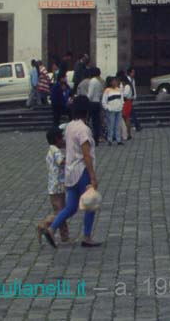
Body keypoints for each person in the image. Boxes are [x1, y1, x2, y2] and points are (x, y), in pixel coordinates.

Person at [44, 96, 101, 249]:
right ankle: (87, 236)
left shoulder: (69, 126)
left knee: (71, 207)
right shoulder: (84, 129)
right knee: (90, 203)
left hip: (69, 173)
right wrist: (93, 177)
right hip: (82, 170)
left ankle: (51, 228)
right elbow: (86, 154)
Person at [37, 127, 69, 245]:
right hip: (58, 186)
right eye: (62, 139)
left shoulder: (51, 150)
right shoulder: (56, 151)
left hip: (53, 186)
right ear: (57, 139)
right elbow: (62, 162)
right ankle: (43, 225)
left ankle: (65, 236)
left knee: (62, 211)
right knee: (61, 212)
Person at [102, 77, 124, 146]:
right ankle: (110, 139)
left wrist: (121, 106)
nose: (115, 83)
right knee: (110, 125)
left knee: (118, 125)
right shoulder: (107, 90)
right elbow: (104, 101)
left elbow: (122, 99)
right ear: (110, 82)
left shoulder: (119, 90)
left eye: (116, 81)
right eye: (113, 81)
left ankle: (118, 140)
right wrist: (107, 108)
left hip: (118, 110)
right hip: (111, 110)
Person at [87, 68, 104, 146]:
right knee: (96, 122)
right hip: (97, 102)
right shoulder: (99, 81)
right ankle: (96, 138)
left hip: (92, 103)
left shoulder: (92, 81)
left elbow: (90, 94)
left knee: (89, 121)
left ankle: (91, 137)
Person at [119, 72, 133, 141]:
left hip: (127, 102)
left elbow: (125, 95)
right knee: (124, 118)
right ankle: (126, 133)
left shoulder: (127, 86)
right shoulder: (123, 86)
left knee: (126, 117)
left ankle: (129, 133)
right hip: (124, 102)